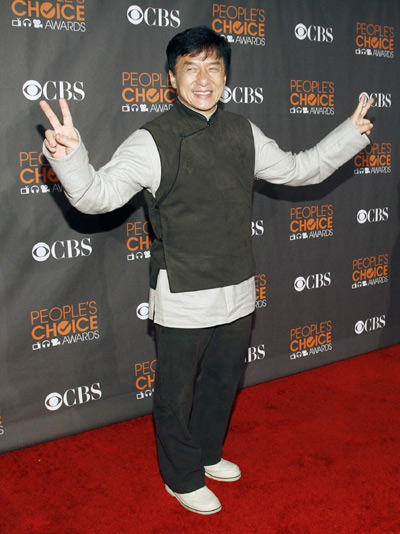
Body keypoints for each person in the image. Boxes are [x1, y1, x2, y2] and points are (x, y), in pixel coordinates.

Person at [40, 26, 373, 515]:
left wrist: (348, 133)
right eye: (190, 68)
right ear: (171, 79)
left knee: (221, 381)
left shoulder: (244, 130)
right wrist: (69, 157)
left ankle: (208, 452)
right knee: (175, 396)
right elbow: (96, 196)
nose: (203, 79)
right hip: (183, 291)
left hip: (238, 286)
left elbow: (299, 169)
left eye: (213, 68)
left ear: (225, 77)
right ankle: (181, 476)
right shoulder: (150, 140)